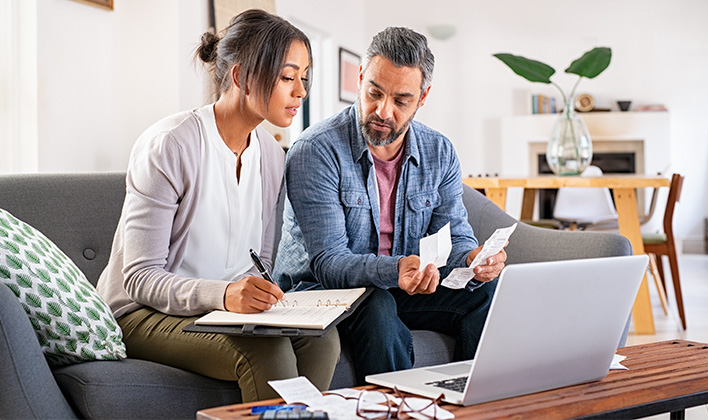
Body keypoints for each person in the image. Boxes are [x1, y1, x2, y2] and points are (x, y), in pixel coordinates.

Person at [96, 9, 340, 402]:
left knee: (322, 340)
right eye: (287, 77)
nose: (300, 91)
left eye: (304, 78)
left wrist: (263, 298)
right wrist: (224, 295)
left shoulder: (273, 157)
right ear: (242, 76)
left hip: (221, 313)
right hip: (143, 314)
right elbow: (139, 278)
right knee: (268, 350)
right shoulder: (170, 145)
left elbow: (258, 260)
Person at [273, 26, 507, 380]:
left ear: (422, 97)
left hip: (398, 284)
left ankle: (473, 405)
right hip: (321, 291)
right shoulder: (316, 150)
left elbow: (456, 236)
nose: (383, 111)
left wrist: (473, 259)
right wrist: (397, 270)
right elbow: (328, 263)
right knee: (378, 304)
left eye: (401, 101)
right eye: (374, 93)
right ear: (361, 78)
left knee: (487, 293)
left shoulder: (438, 151)